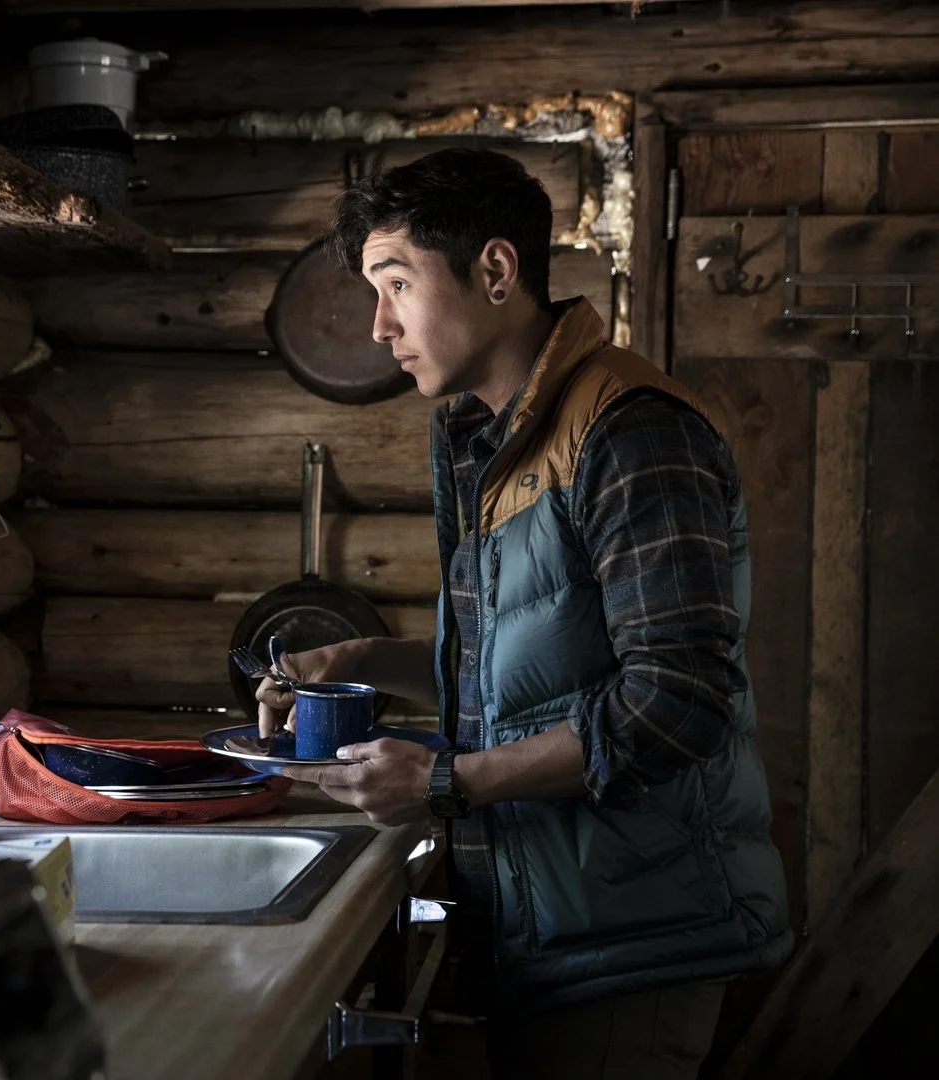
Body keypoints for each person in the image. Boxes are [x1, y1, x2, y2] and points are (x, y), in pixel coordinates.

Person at [256, 148, 792, 1079]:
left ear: (496, 272)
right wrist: (354, 662)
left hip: (636, 940)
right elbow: (527, 673)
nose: (378, 325)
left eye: (395, 284)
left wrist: (443, 781)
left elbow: (676, 704)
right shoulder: (492, 436)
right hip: (555, 926)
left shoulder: (632, 432)